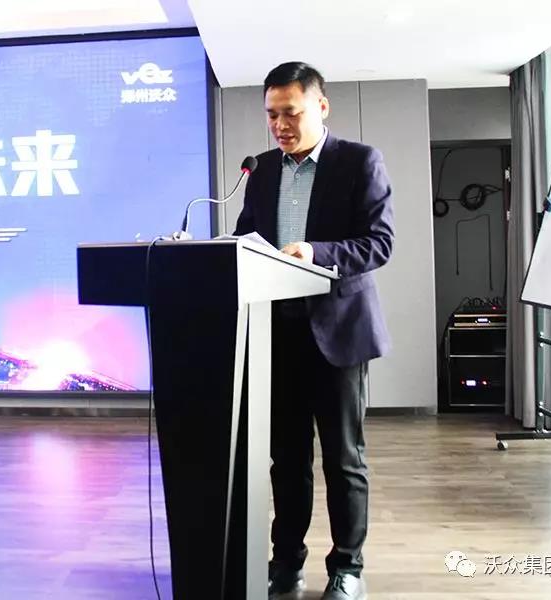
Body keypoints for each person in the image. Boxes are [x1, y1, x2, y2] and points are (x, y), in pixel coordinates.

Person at [233, 62, 394, 600]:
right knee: (287, 461)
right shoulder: (263, 172)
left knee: (344, 460)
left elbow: (379, 243)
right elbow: (247, 239)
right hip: (278, 336)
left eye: (291, 113)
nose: (280, 125)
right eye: (271, 115)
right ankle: (286, 562)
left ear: (321, 107)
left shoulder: (359, 161)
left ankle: (347, 567)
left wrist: (316, 252)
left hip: (339, 334)